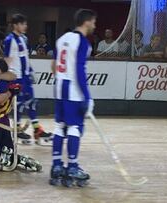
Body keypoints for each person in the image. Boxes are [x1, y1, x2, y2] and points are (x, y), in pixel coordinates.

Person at [50, 9, 96, 187]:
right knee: (75, 127)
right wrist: (87, 96)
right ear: (86, 22)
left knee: (60, 126)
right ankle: (72, 166)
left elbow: (54, 65)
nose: (94, 25)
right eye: (93, 22)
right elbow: (79, 70)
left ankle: (56, 166)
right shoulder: (83, 42)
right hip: (73, 90)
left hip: (60, 87)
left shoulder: (62, 39)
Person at [3, 13, 51, 145]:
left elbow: (25, 57)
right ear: (15, 25)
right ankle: (17, 130)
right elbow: (7, 60)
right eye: (23, 24)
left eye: (25, 23)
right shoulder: (9, 40)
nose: (26, 26)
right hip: (16, 77)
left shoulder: (23, 39)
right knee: (19, 104)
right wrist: (7, 77)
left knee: (32, 102)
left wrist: (30, 71)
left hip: (25, 77)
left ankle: (37, 130)